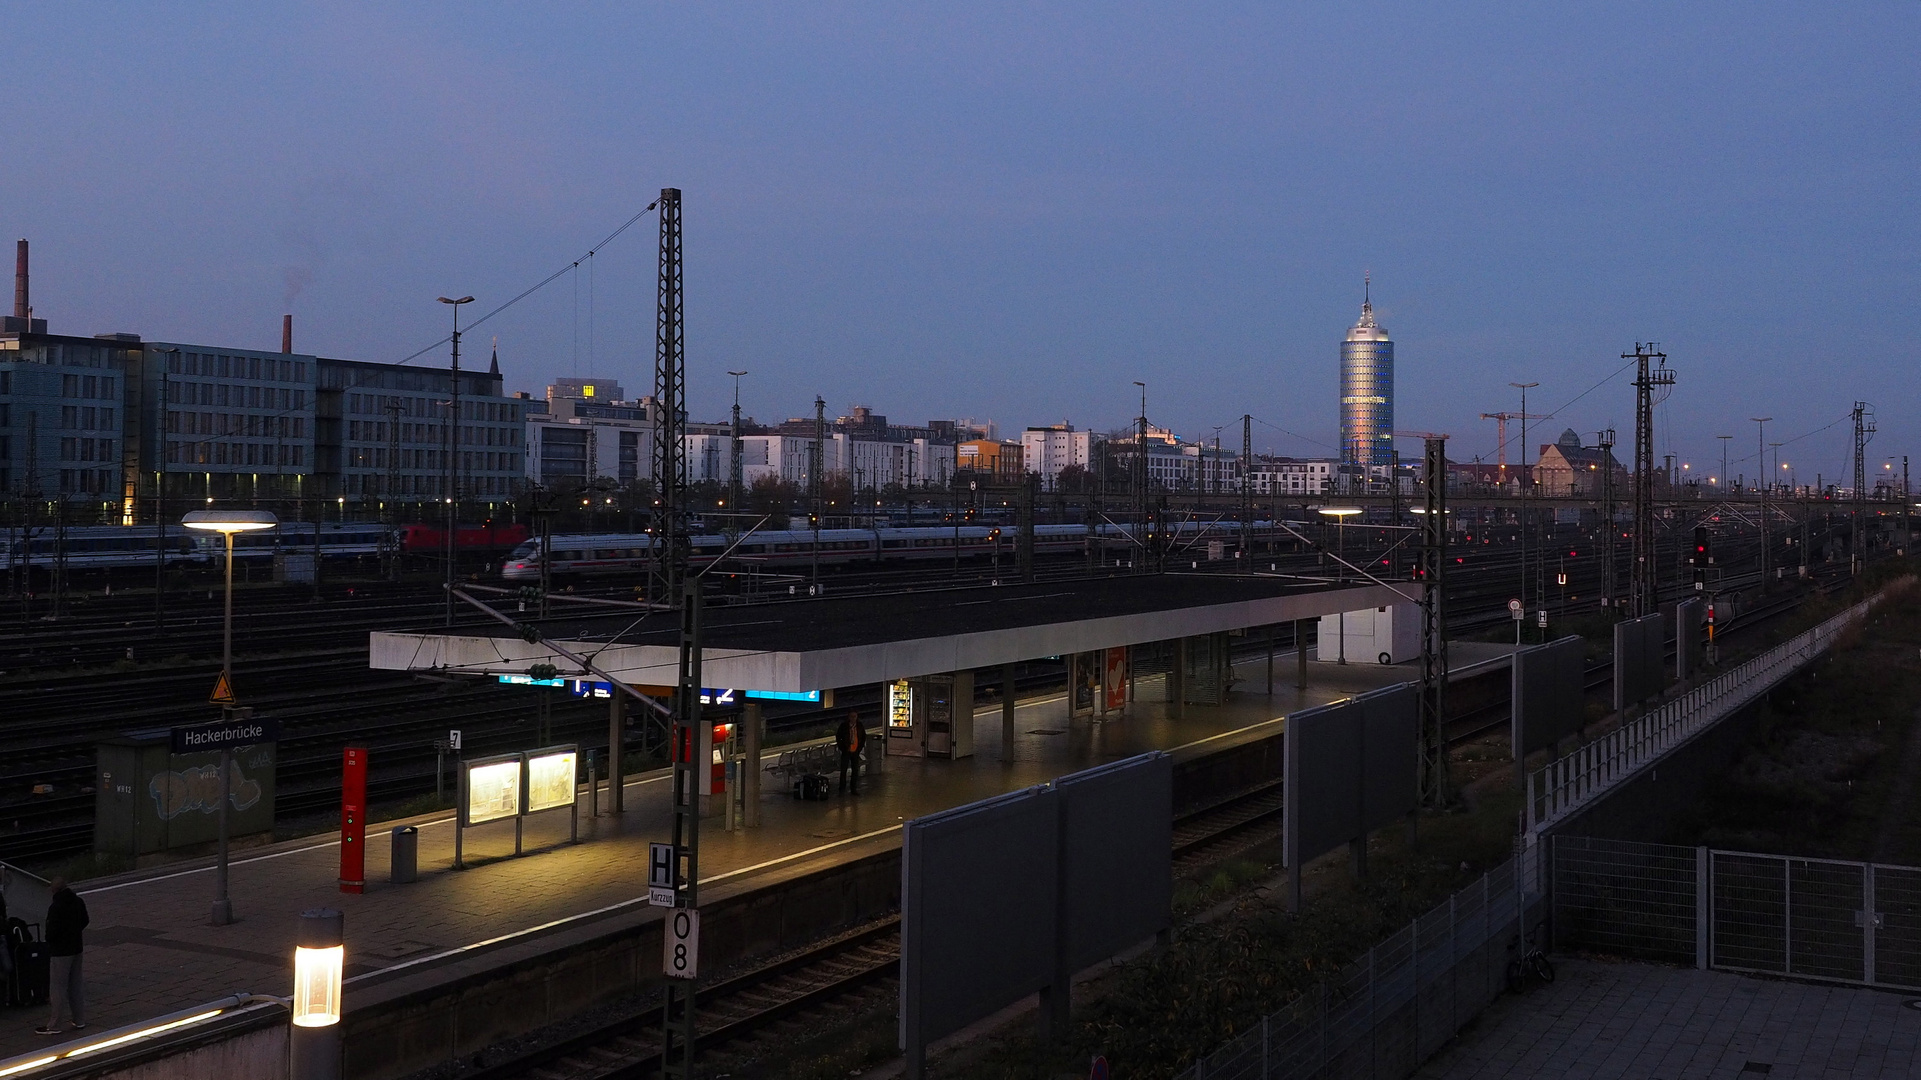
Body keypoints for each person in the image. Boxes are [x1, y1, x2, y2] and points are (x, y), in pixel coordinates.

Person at [37, 876, 87, 1035]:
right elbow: (85, 920)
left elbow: (51, 932)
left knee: (58, 988)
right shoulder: (78, 901)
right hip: (77, 948)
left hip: (60, 952)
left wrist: (51, 941)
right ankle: (79, 1020)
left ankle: (55, 1025)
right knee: (75, 985)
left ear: (54, 890)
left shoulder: (56, 907)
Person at [835, 711, 866, 795]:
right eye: (851, 716)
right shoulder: (844, 726)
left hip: (855, 751)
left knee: (855, 770)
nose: (853, 718)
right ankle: (842, 790)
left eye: (854, 716)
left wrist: (859, 748)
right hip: (846, 751)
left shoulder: (859, 726)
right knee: (843, 770)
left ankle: (853, 789)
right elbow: (838, 737)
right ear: (849, 717)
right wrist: (842, 747)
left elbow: (863, 737)